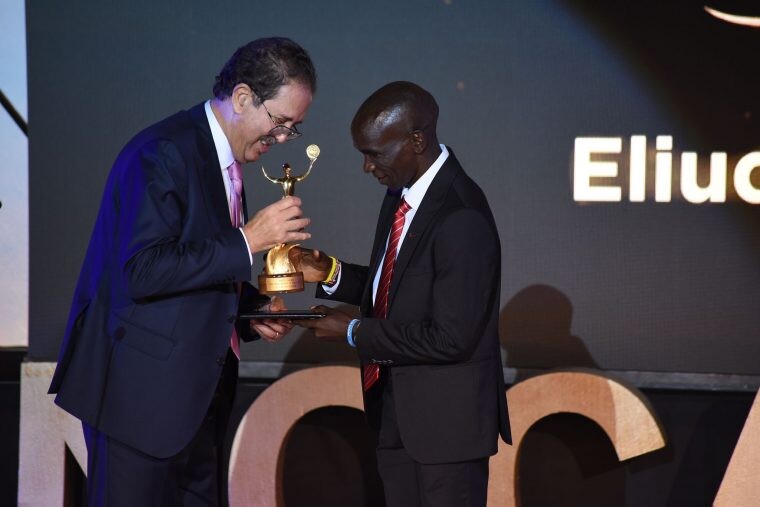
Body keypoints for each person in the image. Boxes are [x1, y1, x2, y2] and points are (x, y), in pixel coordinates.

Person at [48, 37, 315, 506]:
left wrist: (250, 312)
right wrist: (248, 240)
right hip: (141, 404)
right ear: (242, 97)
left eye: (293, 129)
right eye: (279, 123)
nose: (280, 139)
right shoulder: (164, 152)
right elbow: (141, 270)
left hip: (199, 403)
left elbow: (191, 268)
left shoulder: (224, 159)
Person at [295, 81, 511, 506]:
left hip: (446, 435)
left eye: (374, 153)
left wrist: (354, 331)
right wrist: (331, 273)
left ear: (416, 141)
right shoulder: (401, 194)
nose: (366, 167)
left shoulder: (461, 215)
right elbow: (395, 287)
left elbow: (450, 338)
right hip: (396, 417)